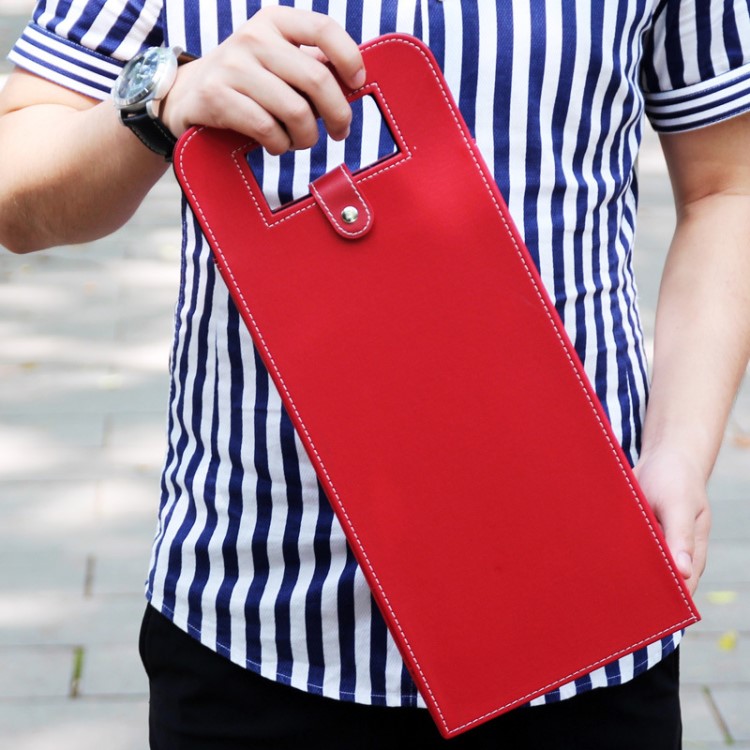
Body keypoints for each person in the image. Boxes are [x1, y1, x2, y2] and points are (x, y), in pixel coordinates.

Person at [1, 2, 749, 748]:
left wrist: (679, 451)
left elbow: (729, 189)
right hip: (257, 606)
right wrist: (159, 102)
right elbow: (16, 188)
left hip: (582, 595)